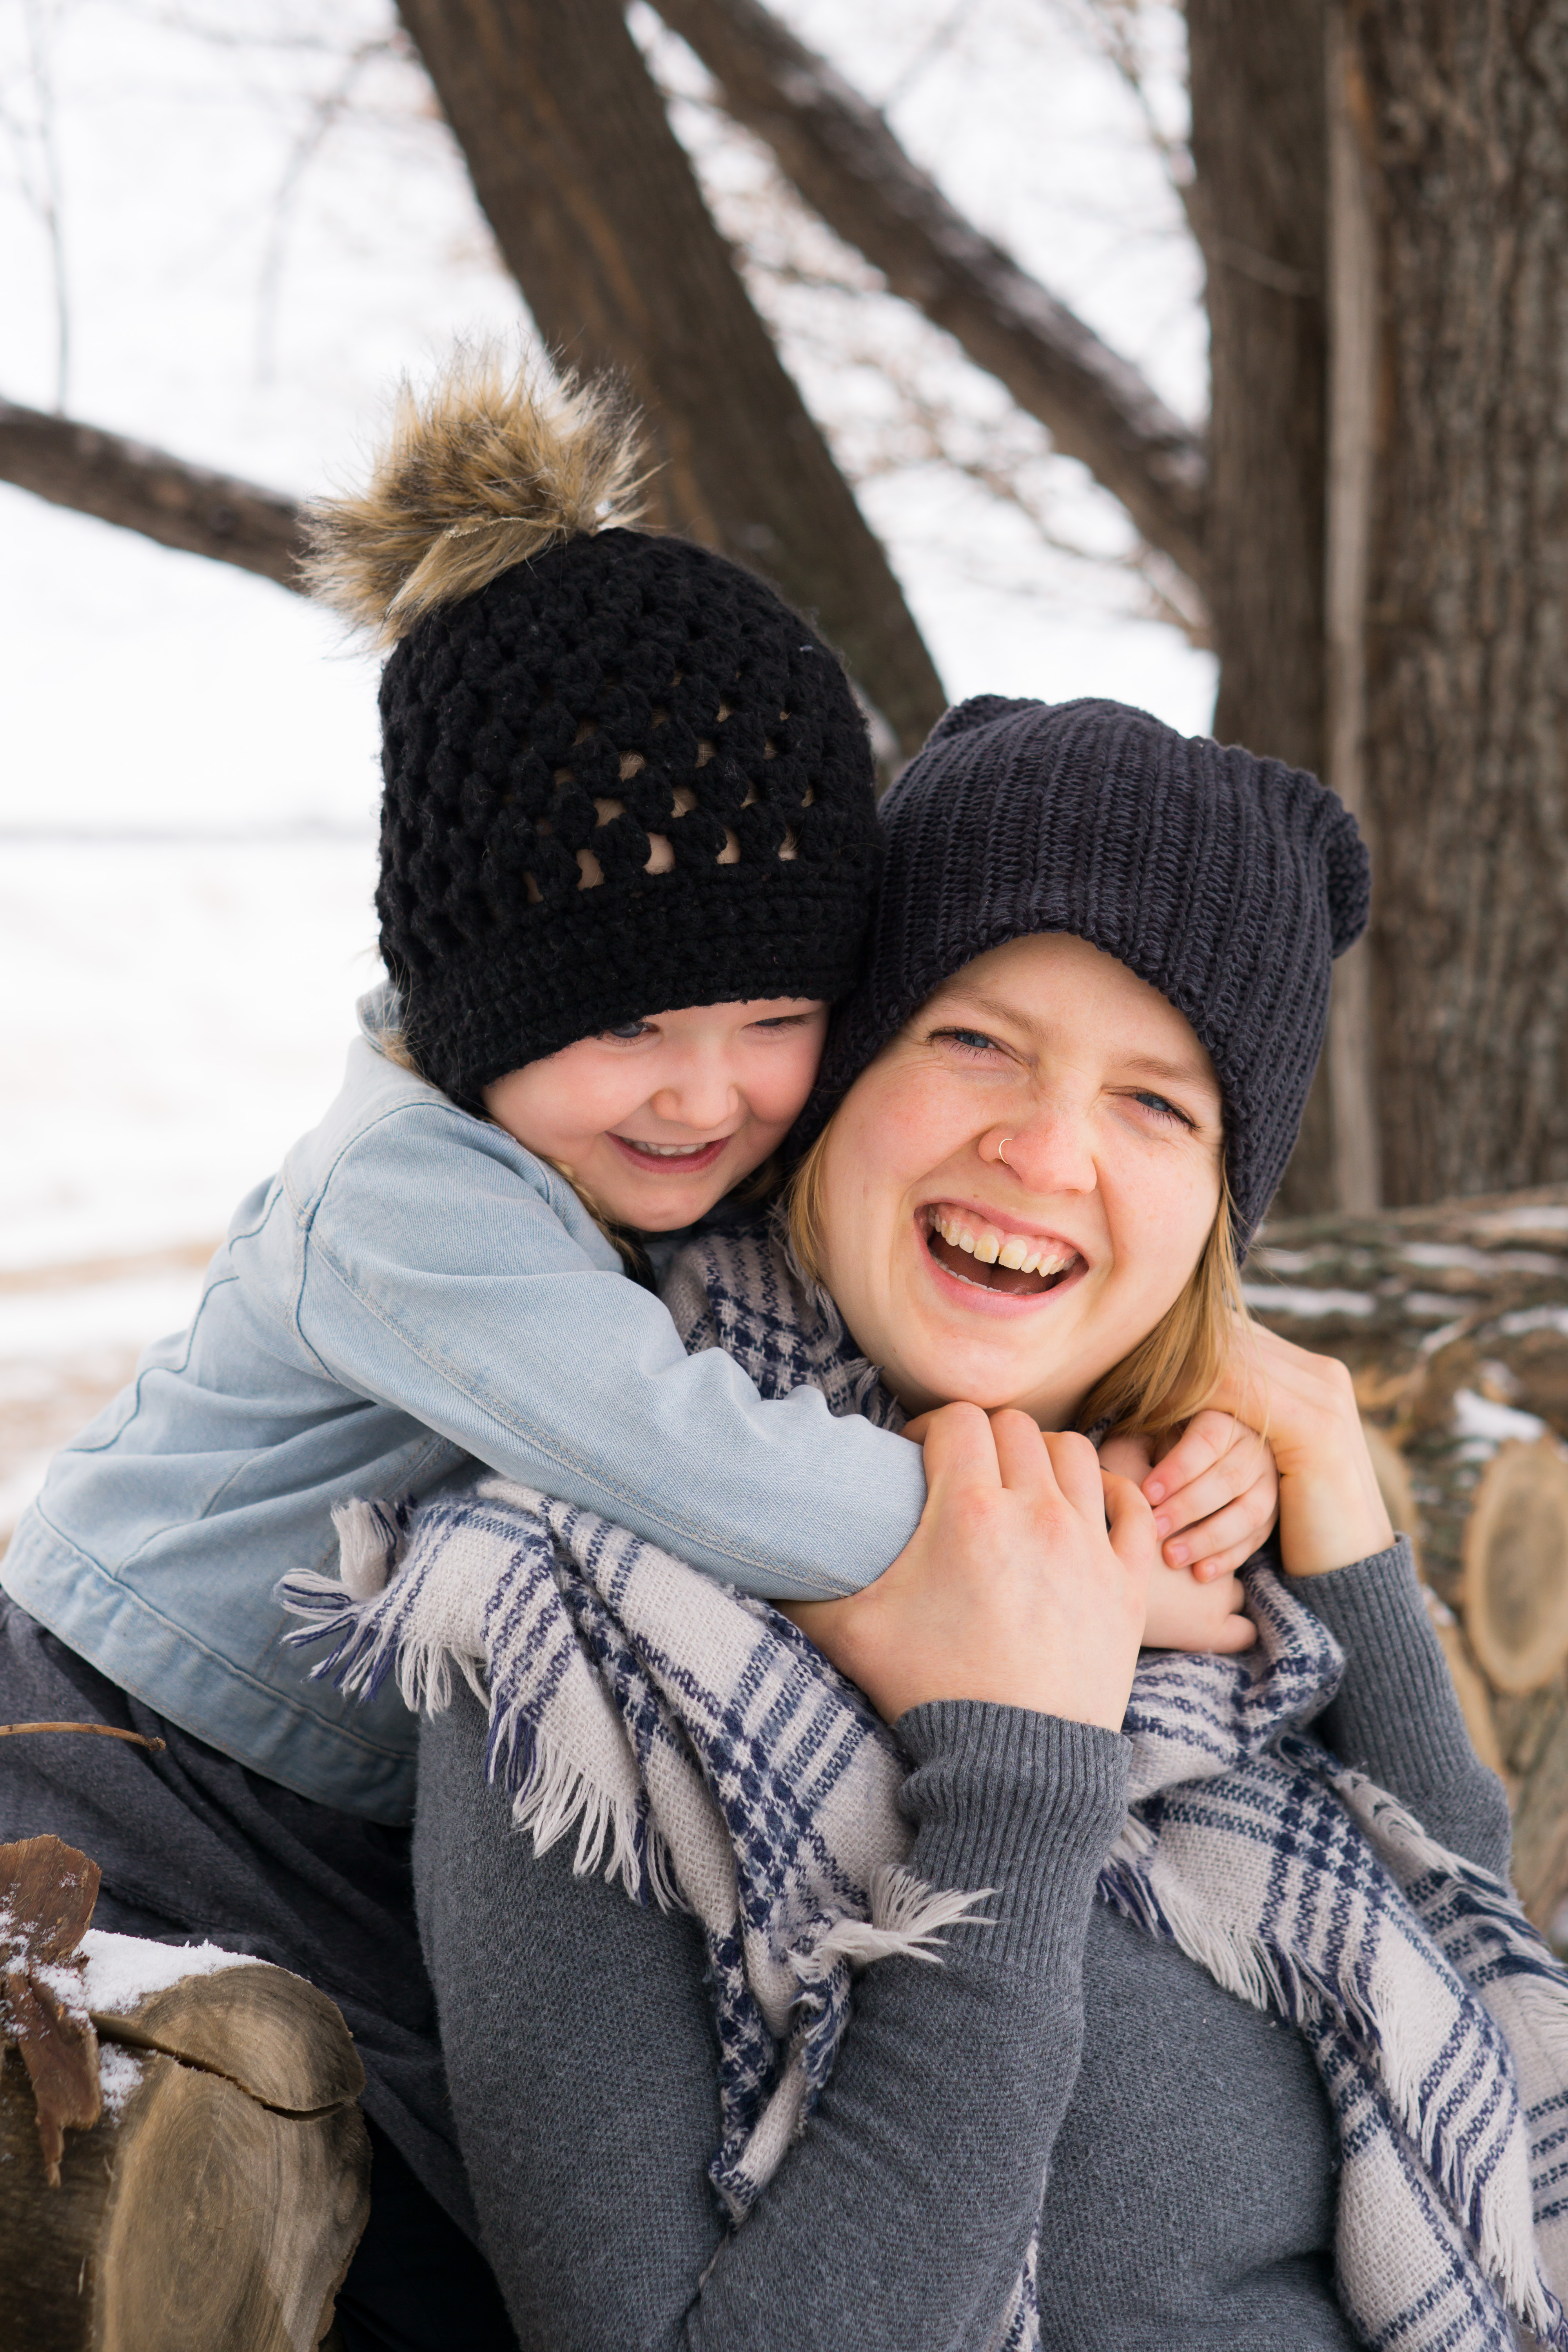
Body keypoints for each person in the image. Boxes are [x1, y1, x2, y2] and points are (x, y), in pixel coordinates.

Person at [0, 367, 1271, 2352]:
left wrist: (1206, 1433)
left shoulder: (632, 1170)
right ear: (477, 1004)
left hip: (326, 1802)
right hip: (128, 1757)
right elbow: (701, 1458)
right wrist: (1061, 1566)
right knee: (198, 2180)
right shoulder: (405, 1204)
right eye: (624, 1027)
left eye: (773, 1018)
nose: (705, 1095)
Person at [351, 695, 1568, 2350]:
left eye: (1158, 1103)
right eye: (975, 1041)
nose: (1046, 1152)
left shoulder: (1174, 1528)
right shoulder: (562, 1622)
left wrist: (1343, 1534)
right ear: (836, 1080)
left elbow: (1484, 2004)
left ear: (1219, 1211)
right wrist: (1016, 1776)